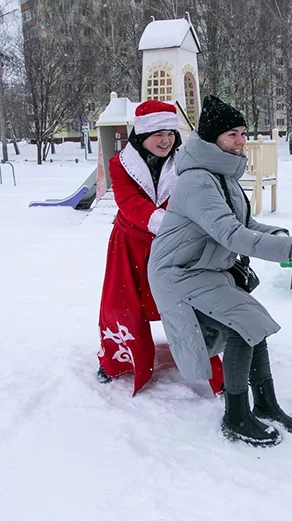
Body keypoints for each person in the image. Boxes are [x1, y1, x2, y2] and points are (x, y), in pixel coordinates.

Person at [148, 95, 292, 447]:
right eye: (232, 134)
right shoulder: (197, 180)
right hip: (179, 273)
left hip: (204, 270)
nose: (242, 140)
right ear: (213, 139)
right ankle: (236, 415)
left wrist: (286, 238)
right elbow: (230, 234)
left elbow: (245, 223)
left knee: (253, 322)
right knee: (245, 326)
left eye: (243, 132)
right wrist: (288, 251)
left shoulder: (222, 175)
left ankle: (266, 405)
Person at [98, 99, 224, 395]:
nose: (166, 140)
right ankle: (122, 359)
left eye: (170, 132)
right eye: (158, 134)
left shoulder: (187, 162)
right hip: (129, 245)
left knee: (187, 304)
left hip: (176, 247)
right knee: (123, 305)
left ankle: (207, 363)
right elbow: (130, 204)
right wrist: (173, 222)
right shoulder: (120, 165)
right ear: (142, 136)